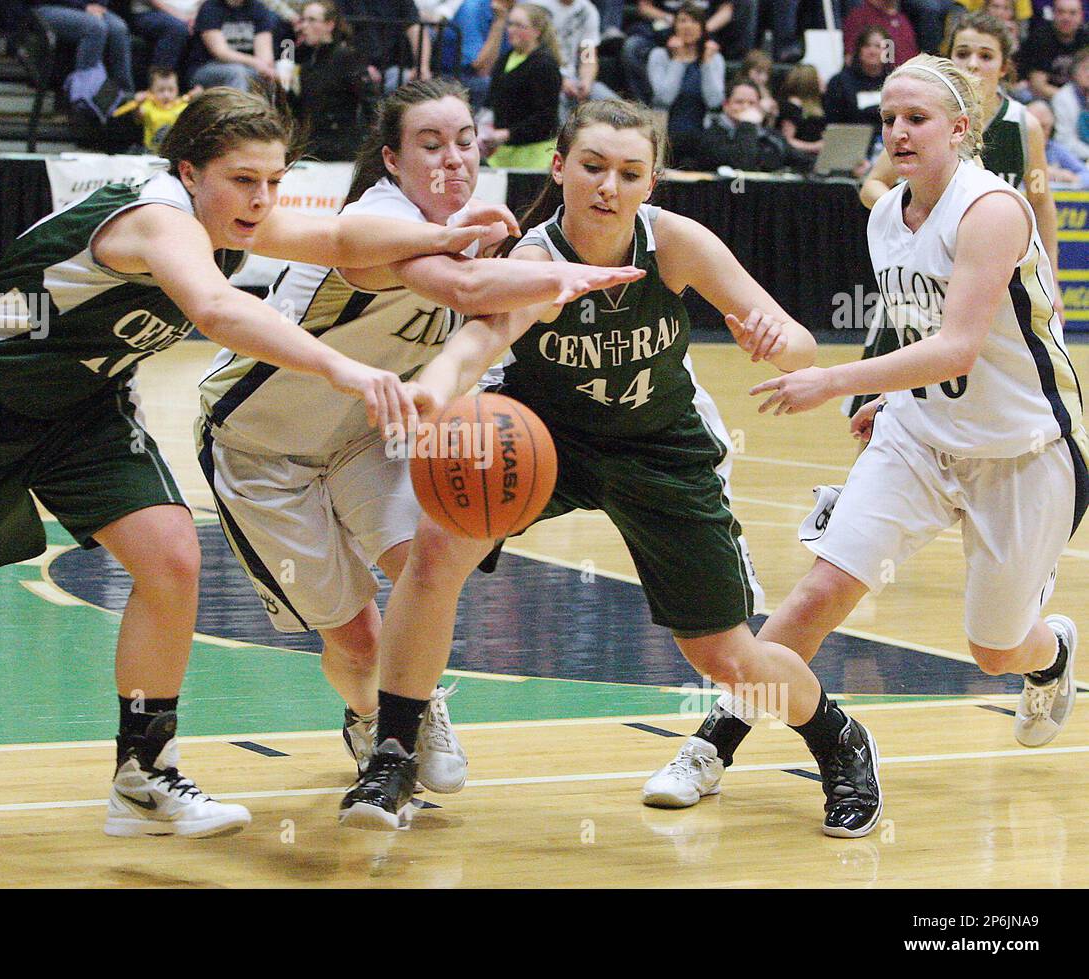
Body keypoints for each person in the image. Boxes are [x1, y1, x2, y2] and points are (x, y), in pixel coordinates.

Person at [0, 88, 499, 839]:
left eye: (273, 181)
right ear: (190, 171)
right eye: (243, 180)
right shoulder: (158, 219)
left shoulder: (233, 211)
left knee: (172, 557)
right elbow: (219, 311)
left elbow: (339, 241)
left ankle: (142, 774)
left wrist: (445, 239)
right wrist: (343, 369)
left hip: (85, 408)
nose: (261, 200)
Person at [339, 97, 886, 841]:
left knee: (726, 655)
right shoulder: (534, 258)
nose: (608, 187)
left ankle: (837, 736)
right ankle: (394, 751)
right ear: (560, 167)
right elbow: (477, 343)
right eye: (592, 167)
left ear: (651, 181)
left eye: (630, 173)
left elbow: (795, 343)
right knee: (437, 545)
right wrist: (428, 392)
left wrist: (774, 336)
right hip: (547, 438)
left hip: (660, 446)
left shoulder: (677, 243)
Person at [649, 54, 1083, 808]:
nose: (898, 132)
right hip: (920, 433)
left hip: (1024, 447)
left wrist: (834, 379)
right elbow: (911, 324)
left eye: (916, 119)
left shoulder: (992, 209)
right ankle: (711, 743)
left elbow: (957, 345)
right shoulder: (888, 213)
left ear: (960, 127)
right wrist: (888, 389)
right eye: (888, 119)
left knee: (994, 647)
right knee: (820, 590)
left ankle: (1050, 657)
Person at [197, 79, 637, 798]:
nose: (453, 159)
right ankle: (370, 712)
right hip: (260, 448)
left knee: (426, 568)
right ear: (393, 161)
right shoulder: (377, 220)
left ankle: (415, 711)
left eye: (464, 141)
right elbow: (464, 291)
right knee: (359, 644)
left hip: (367, 437)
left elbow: (475, 331)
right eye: (429, 145)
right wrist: (562, 274)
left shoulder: (472, 228)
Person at [857, 11, 1061, 412]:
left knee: (980, 392)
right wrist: (918, 207)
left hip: (985, 277)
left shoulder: (1023, 124)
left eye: (985, 56)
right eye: (963, 52)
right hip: (920, 278)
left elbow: (1039, 200)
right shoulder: (917, 117)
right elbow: (873, 184)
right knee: (884, 411)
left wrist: (1051, 280)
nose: (972, 63)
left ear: (1005, 66)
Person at [481, 2, 561, 167]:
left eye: (519, 26)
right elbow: (491, 101)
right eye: (510, 24)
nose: (511, 30)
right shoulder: (505, 59)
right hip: (504, 153)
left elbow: (546, 117)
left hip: (535, 156)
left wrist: (507, 134)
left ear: (536, 31)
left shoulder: (545, 65)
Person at [289, 0, 370, 161]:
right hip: (311, 147)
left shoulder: (346, 57)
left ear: (329, 25)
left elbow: (369, 100)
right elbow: (299, 110)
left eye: (311, 20)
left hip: (339, 148)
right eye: (303, 20)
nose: (304, 26)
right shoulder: (307, 61)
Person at [646, 2, 726, 158]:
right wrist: (678, 60)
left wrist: (707, 64)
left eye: (694, 21)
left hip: (702, 135)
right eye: (682, 21)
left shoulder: (714, 59)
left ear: (703, 28)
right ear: (674, 26)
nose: (688, 26)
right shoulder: (659, 55)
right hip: (667, 131)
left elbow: (715, 101)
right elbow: (663, 98)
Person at [697, 77, 812, 170]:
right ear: (726, 105)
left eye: (752, 103)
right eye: (739, 102)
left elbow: (796, 158)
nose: (746, 107)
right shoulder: (711, 135)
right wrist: (747, 124)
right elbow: (743, 164)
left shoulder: (770, 136)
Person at [29, 0, 135, 94]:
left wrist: (99, 5)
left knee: (119, 29)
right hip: (48, 6)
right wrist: (83, 7)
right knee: (95, 27)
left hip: (86, 8)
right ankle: (85, 95)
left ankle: (125, 94)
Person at [184, 0, 279, 89]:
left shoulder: (259, 9)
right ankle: (239, 107)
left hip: (248, 68)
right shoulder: (210, 7)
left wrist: (266, 68)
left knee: (273, 75)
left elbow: (265, 55)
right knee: (237, 73)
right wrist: (256, 63)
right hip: (206, 67)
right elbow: (220, 52)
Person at [824, 24, 892, 131]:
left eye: (878, 46)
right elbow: (833, 123)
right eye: (867, 46)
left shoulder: (894, 82)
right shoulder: (839, 82)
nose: (872, 51)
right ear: (859, 50)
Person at [1017, 0, 1087, 100]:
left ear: (1081, 16)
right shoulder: (1040, 38)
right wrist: (1071, 100)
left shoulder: (1086, 39)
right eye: (1061, 12)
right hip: (1041, 98)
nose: (1066, 18)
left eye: (1072, 13)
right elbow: (1038, 86)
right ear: (1053, 13)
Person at [128, 0, 203, 75]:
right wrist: (182, 16)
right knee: (176, 28)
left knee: (205, 25)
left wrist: (199, 13)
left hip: (194, 12)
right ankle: (162, 76)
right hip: (150, 11)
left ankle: (198, 80)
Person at [843, 0, 919, 70]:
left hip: (908, 75)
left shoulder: (903, 19)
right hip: (877, 79)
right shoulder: (859, 17)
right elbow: (849, 58)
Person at [1029, 96, 1089, 183]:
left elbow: (1086, 175)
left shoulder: (1054, 149)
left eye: (1045, 127)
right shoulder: (1013, 150)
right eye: (1036, 126)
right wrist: (1042, 172)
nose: (1040, 132)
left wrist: (1071, 178)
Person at [779, 62, 827, 156]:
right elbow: (787, 140)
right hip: (799, 158)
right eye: (818, 78)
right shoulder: (792, 107)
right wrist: (815, 146)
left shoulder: (817, 105)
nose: (822, 81)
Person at [1052, 45, 1089, 160]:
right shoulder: (1062, 98)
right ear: (1074, 71)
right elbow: (1064, 141)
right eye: (1086, 68)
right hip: (1071, 159)